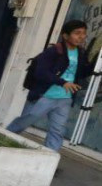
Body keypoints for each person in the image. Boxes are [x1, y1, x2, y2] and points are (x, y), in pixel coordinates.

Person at [7, 19, 90, 151]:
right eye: (77, 33)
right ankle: (4, 138)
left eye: (84, 33)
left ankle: (50, 157)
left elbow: (83, 72)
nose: (81, 36)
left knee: (57, 130)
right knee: (26, 120)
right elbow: (41, 72)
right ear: (65, 35)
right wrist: (63, 82)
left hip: (65, 98)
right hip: (45, 95)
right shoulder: (54, 51)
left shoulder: (81, 53)